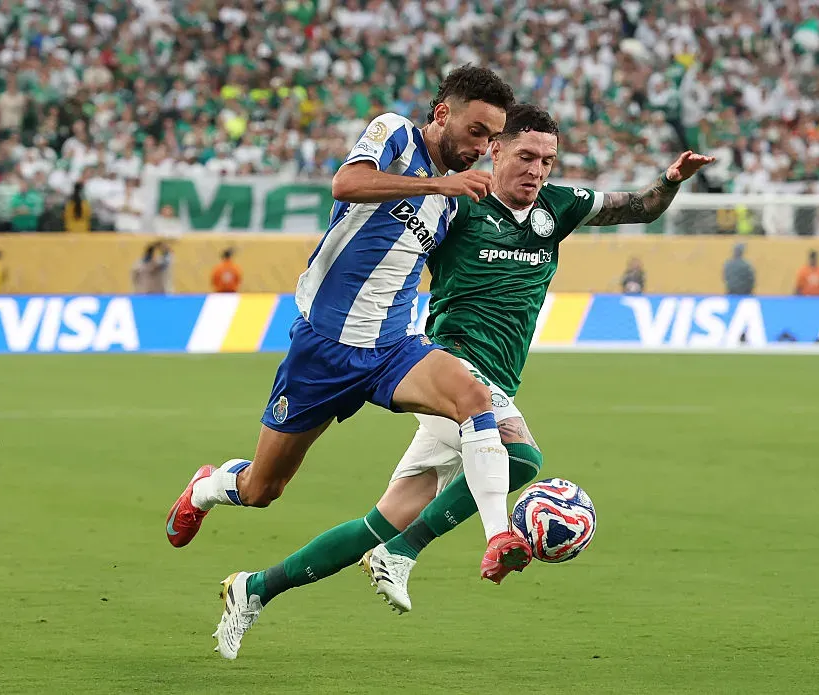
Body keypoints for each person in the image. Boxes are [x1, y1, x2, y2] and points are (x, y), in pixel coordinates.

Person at [210, 104, 713, 658]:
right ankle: (412, 550)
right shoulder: (458, 204)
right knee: (521, 457)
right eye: (525, 155)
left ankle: (255, 588)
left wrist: (671, 178)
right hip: (448, 366)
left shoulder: (560, 206)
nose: (537, 170)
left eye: (547, 160)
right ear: (496, 149)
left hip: (500, 380)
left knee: (382, 521)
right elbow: (385, 223)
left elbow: (639, 207)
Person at [165, 67, 522, 658]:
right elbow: (346, 183)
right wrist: (440, 185)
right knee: (262, 488)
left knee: (472, 399)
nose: (481, 147)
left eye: (491, 138)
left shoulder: (459, 199)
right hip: (324, 349)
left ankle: (496, 535)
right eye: (476, 131)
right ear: (442, 114)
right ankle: (208, 487)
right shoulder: (396, 135)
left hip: (392, 348)